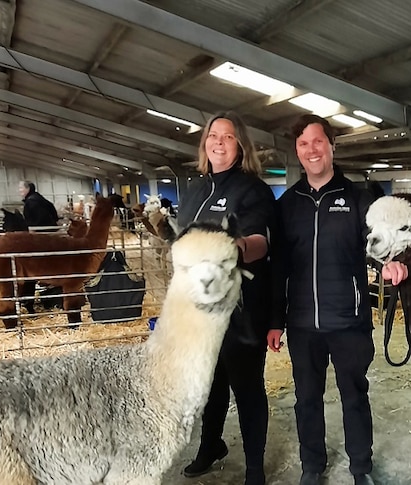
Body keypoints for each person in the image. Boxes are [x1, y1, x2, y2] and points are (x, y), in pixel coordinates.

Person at [268, 114, 407, 485]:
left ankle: (361, 467)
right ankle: (312, 465)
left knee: (354, 396)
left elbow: (376, 241)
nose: (311, 150)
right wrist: (274, 320)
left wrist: (390, 262)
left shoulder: (358, 198)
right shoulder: (288, 205)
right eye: (303, 144)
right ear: (297, 152)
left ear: (332, 146)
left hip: (349, 320)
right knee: (306, 399)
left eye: (317, 141)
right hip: (302, 323)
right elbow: (278, 265)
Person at [177, 111, 276, 485]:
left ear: (241, 146)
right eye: (213, 135)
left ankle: (254, 466)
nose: (219, 141)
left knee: (247, 386)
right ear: (205, 143)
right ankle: (211, 444)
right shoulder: (194, 190)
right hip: (199, 310)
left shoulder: (253, 190)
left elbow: (260, 242)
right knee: (209, 382)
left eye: (228, 136)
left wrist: (236, 246)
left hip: (241, 310)